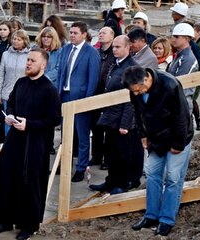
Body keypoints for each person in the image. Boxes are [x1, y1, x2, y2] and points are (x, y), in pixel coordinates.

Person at [0, 47, 61, 240]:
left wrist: (30, 124)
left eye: (32, 61)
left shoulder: (49, 89)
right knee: (6, 176)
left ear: (43, 65)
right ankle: (4, 220)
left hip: (35, 142)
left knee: (30, 182)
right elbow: (11, 101)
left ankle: (28, 224)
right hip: (15, 139)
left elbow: (54, 119)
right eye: (27, 60)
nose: (28, 63)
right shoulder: (21, 83)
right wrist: (10, 114)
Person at [124, 65, 194, 236]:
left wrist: (178, 144)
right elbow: (138, 113)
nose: (136, 94)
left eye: (138, 90)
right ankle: (151, 215)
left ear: (146, 79)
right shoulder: (136, 90)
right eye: (133, 91)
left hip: (177, 137)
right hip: (156, 139)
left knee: (173, 177)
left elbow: (182, 117)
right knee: (152, 173)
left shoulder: (170, 85)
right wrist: (143, 135)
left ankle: (166, 219)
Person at [90, 35, 142, 194]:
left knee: (124, 153)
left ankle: (124, 182)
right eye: (113, 47)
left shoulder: (133, 68)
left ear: (128, 48)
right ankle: (111, 181)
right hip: (111, 116)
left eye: (118, 47)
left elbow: (132, 99)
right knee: (111, 152)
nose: (114, 50)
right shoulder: (115, 64)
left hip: (122, 119)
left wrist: (125, 123)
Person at [55, 21, 100, 182]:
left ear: (83, 34)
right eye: (71, 32)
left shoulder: (91, 52)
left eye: (75, 33)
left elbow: (93, 79)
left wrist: (86, 102)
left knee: (82, 136)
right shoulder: (66, 49)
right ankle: (63, 163)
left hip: (80, 98)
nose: (72, 35)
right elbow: (61, 73)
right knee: (65, 135)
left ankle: (81, 167)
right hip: (65, 96)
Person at [90, 25, 117, 170]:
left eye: (104, 33)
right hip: (96, 93)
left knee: (108, 129)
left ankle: (107, 159)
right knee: (96, 127)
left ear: (112, 36)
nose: (101, 35)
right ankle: (96, 156)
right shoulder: (96, 52)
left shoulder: (114, 52)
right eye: (99, 32)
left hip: (108, 94)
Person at [0, 28, 30, 136]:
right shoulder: (6, 54)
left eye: (18, 39)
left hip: (24, 94)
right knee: (8, 121)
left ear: (24, 41)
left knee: (21, 120)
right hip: (7, 93)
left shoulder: (30, 55)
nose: (15, 41)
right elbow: (1, 74)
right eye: (14, 39)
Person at [168, 23, 200, 120]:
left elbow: (178, 84)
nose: (173, 39)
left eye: (176, 37)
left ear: (186, 38)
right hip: (175, 105)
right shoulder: (180, 55)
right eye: (173, 36)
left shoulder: (187, 59)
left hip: (180, 107)